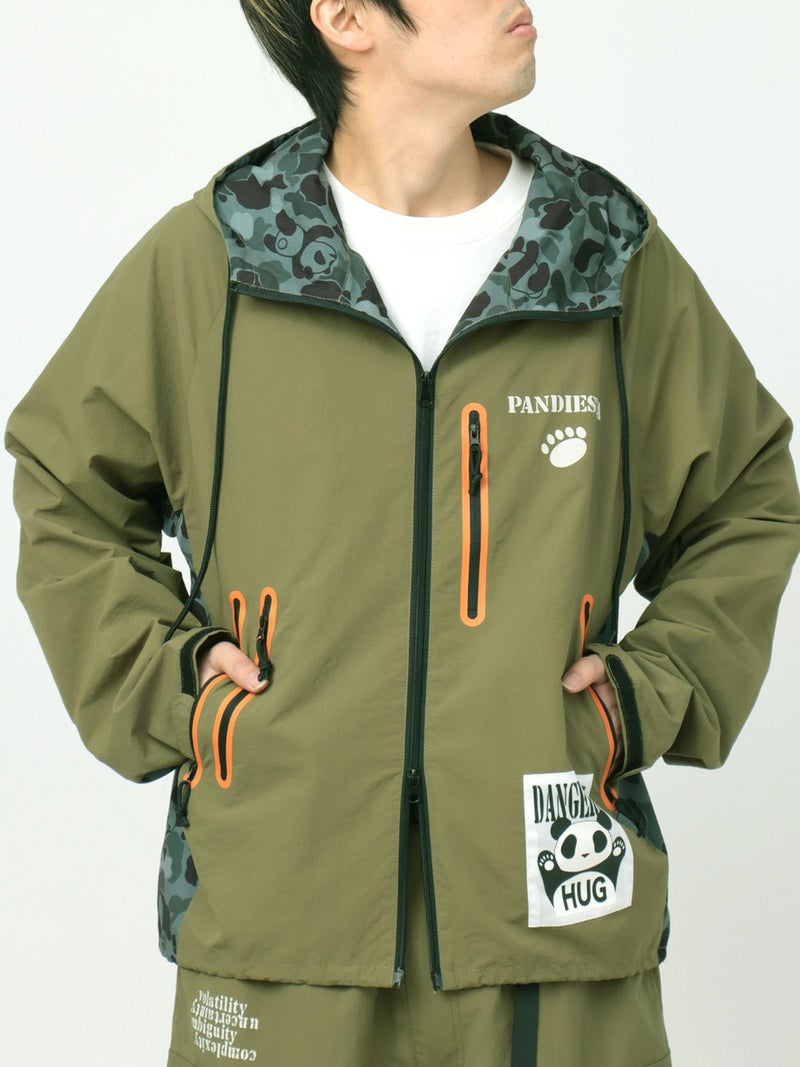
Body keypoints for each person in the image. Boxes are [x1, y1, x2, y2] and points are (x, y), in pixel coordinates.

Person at [6, 2, 800, 1064]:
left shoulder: (601, 257)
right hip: (281, 925)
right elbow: (67, 482)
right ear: (346, 18)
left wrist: (644, 696)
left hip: (554, 924)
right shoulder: (225, 256)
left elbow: (745, 494)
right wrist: (178, 690)